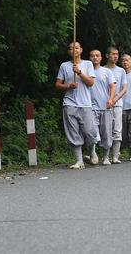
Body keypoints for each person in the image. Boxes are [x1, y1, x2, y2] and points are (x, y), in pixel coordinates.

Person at [54, 41, 96, 170]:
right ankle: (79, 161)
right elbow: (57, 84)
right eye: (71, 48)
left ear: (81, 50)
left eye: (77, 48)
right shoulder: (64, 66)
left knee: (89, 131)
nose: (74, 50)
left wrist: (79, 72)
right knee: (73, 132)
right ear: (69, 52)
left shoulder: (88, 64)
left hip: (85, 103)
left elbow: (91, 83)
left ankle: (92, 151)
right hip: (69, 103)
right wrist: (68, 86)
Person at [87, 49, 116, 166]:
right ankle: (92, 153)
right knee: (91, 131)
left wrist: (111, 99)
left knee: (107, 133)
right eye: (92, 56)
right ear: (89, 58)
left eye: (97, 55)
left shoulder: (107, 71)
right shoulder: (85, 71)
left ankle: (105, 157)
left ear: (101, 58)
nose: (95, 58)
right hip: (90, 106)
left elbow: (112, 86)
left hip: (105, 106)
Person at [105, 46, 128, 163]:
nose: (115, 56)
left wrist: (114, 99)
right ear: (107, 55)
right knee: (106, 130)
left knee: (117, 130)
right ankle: (106, 156)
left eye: (117, 54)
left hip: (118, 104)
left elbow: (124, 89)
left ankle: (115, 156)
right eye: (113, 54)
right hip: (104, 104)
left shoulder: (121, 71)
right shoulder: (102, 69)